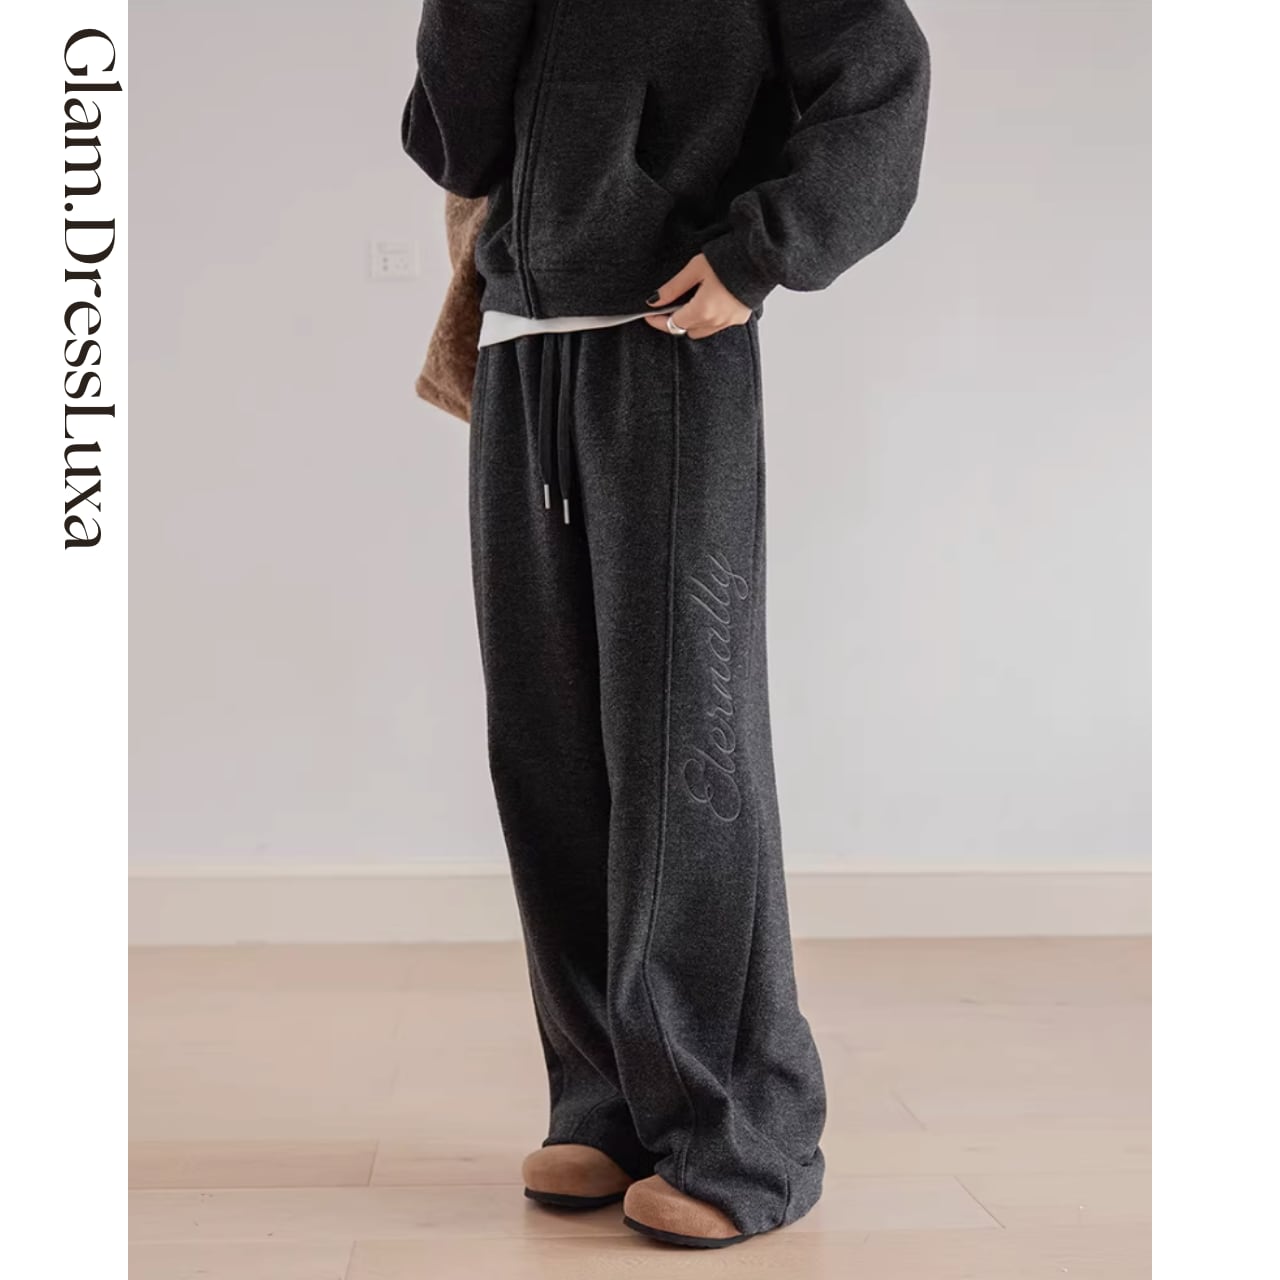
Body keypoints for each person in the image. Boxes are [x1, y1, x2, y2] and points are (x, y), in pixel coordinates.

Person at [401, 0, 929, 1249]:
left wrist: (761, 251)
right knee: (545, 747)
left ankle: (742, 1133)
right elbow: (450, 141)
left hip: (668, 350)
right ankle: (606, 1097)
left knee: (684, 747)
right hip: (520, 352)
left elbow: (882, 82)